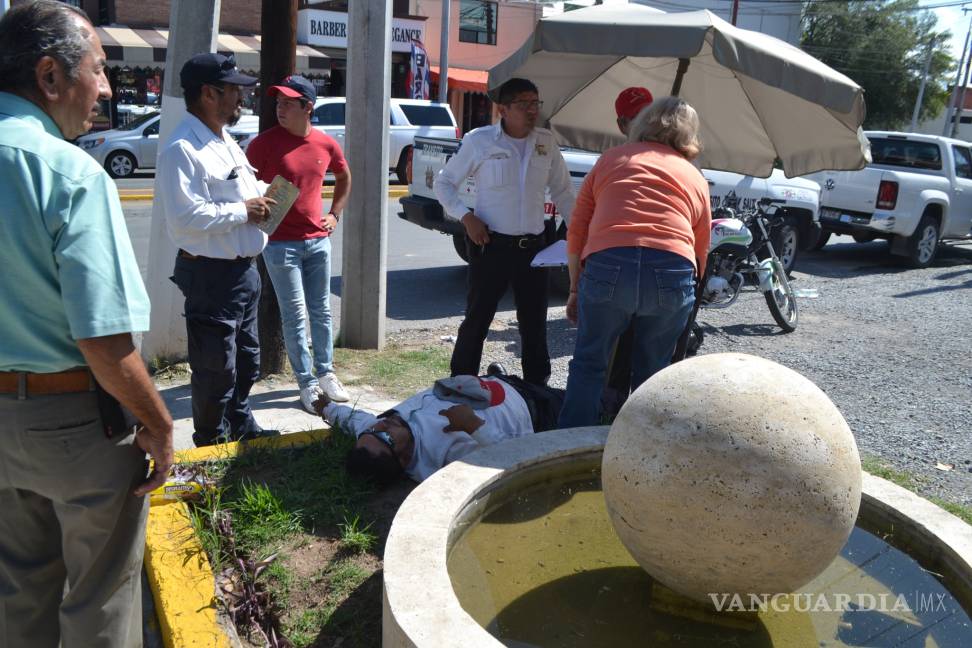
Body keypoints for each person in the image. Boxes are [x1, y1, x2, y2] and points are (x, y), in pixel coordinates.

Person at [0, 2, 174, 646]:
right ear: (50, 76)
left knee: (19, 591)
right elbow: (103, 342)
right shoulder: (68, 172)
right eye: (98, 71)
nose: (105, 88)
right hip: (74, 425)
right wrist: (157, 423)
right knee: (99, 597)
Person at [557, 97, 712, 428]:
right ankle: (643, 452)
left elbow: (578, 229)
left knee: (588, 363)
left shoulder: (612, 159)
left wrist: (574, 288)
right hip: (672, 270)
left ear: (642, 123)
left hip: (608, 263)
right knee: (653, 372)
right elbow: (701, 248)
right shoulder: (694, 176)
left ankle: (566, 448)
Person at [157, 52, 279, 447]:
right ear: (209, 94)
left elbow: (240, 196)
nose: (241, 98)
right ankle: (211, 445)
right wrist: (244, 210)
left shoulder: (224, 140)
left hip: (244, 271)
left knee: (247, 360)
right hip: (211, 274)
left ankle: (241, 427)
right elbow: (185, 218)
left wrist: (267, 198)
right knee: (215, 370)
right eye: (234, 90)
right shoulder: (182, 149)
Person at [434, 77, 575, 386]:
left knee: (534, 323)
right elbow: (443, 183)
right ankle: (461, 382)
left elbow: (563, 192)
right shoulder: (480, 141)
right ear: (503, 109)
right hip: (491, 245)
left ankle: (537, 389)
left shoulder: (545, 142)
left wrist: (579, 233)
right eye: (523, 104)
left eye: (535, 103)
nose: (531, 110)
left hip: (535, 248)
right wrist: (466, 218)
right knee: (478, 318)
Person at [246, 75, 352, 413]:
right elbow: (242, 182)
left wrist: (334, 214)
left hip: (318, 242)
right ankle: (306, 383)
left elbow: (344, 175)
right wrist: (254, 209)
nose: (280, 108)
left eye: (289, 103)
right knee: (294, 315)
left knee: (320, 311)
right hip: (279, 245)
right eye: (278, 102)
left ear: (308, 107)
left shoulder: (325, 144)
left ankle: (326, 373)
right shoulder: (262, 144)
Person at [317, 367, 564, 484]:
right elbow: (515, 458)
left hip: (489, 385)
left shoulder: (375, 432)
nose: (381, 424)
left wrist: (327, 408)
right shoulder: (446, 455)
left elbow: (353, 420)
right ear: (403, 459)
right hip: (535, 406)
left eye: (372, 430)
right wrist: (473, 425)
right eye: (386, 438)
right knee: (594, 398)